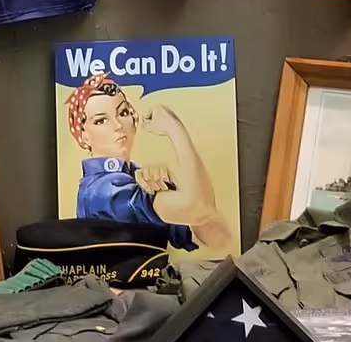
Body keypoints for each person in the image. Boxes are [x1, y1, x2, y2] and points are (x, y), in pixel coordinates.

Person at [66, 74, 231, 252]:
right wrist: (175, 130)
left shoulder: (132, 178)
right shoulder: (103, 190)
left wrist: (172, 185)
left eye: (122, 113)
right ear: (83, 136)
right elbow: (200, 209)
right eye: (101, 121)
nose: (118, 125)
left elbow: (218, 238)